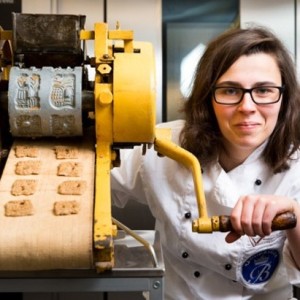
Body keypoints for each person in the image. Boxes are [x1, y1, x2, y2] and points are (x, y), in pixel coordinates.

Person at [111, 26, 300, 299]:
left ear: (284, 97)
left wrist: (295, 215)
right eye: (230, 90)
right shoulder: (163, 146)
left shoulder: (297, 162)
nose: (247, 106)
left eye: (264, 90)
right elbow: (88, 176)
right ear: (207, 96)